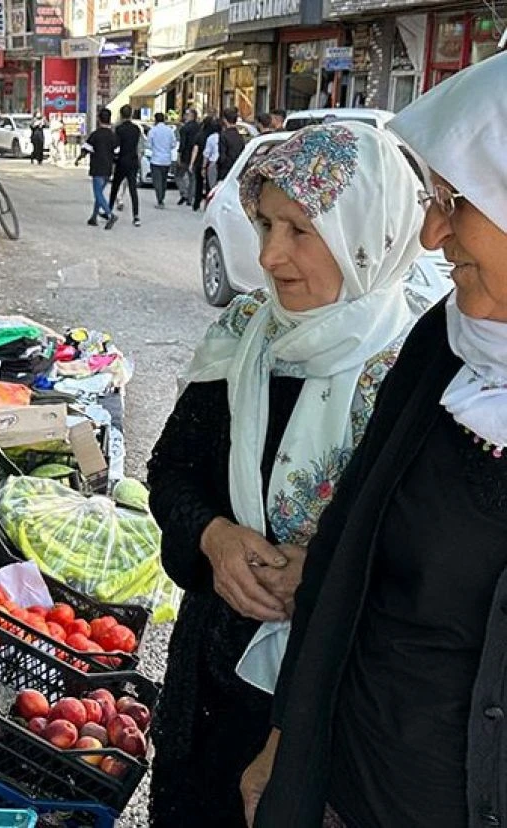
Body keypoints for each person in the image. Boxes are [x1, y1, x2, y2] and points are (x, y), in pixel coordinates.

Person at [241, 51, 507, 828]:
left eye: (457, 201)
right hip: (351, 793)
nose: (432, 235)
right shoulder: (443, 347)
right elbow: (344, 561)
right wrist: (286, 743)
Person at [148, 121, 427, 828]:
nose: (270, 256)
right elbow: (171, 470)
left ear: (369, 231)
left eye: (301, 231)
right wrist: (212, 537)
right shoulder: (245, 333)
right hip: (206, 688)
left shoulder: (419, 373)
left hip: (331, 716)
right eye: (266, 223)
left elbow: (433, 565)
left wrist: (329, 569)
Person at [81, 107, 118, 229]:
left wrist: (78, 159)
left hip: (97, 168)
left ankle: (110, 214)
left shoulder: (95, 135)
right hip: (108, 168)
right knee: (100, 194)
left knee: (97, 194)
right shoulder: (113, 136)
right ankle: (93, 217)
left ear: (98, 119)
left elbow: (85, 149)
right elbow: (117, 152)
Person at [110, 104, 142, 227]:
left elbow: (116, 146)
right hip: (133, 161)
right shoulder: (136, 129)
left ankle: (109, 210)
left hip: (121, 161)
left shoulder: (119, 129)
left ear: (121, 114)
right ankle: (136, 216)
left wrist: (113, 158)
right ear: (131, 114)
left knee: (115, 187)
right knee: (133, 189)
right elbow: (138, 146)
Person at [191, 115, 219, 211]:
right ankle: (209, 204)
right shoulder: (217, 136)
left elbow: (196, 149)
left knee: (199, 183)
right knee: (211, 184)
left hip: (201, 161)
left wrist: (192, 163)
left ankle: (196, 203)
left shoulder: (200, 135)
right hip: (212, 162)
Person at [148, 112, 176, 209]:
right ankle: (162, 197)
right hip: (166, 159)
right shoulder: (170, 131)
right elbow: (173, 144)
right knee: (164, 180)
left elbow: (149, 144)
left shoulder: (153, 131)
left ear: (155, 120)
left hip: (156, 159)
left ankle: (159, 199)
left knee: (157, 181)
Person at [177, 108, 201, 206]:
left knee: (179, 176)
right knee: (192, 178)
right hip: (196, 155)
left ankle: (184, 193)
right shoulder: (200, 127)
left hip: (186, 155)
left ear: (191, 116)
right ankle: (190, 198)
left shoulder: (184, 128)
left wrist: (179, 154)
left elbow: (182, 143)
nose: (185, 116)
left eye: (186, 114)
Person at [218, 106, 247, 182]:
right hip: (238, 169)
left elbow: (222, 156)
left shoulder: (224, 135)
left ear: (224, 120)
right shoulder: (240, 136)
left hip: (226, 171)